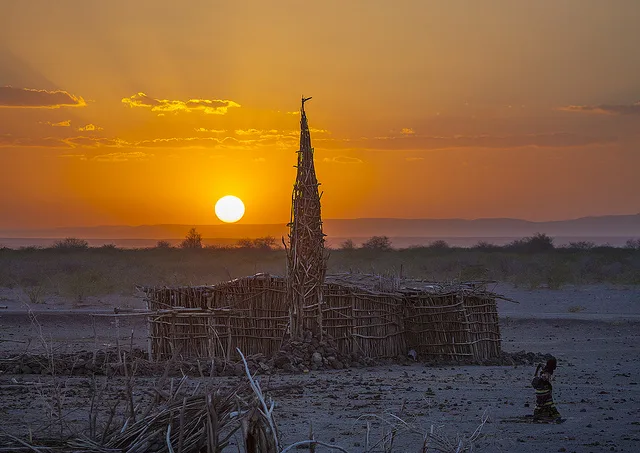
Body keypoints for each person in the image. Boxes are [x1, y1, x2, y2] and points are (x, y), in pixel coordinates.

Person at [531, 358, 562, 422]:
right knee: (550, 403)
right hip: (544, 391)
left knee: (539, 404)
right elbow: (545, 378)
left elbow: (539, 365)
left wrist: (536, 374)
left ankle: (536, 416)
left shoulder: (544, 368)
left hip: (538, 391)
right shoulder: (548, 372)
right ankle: (556, 417)